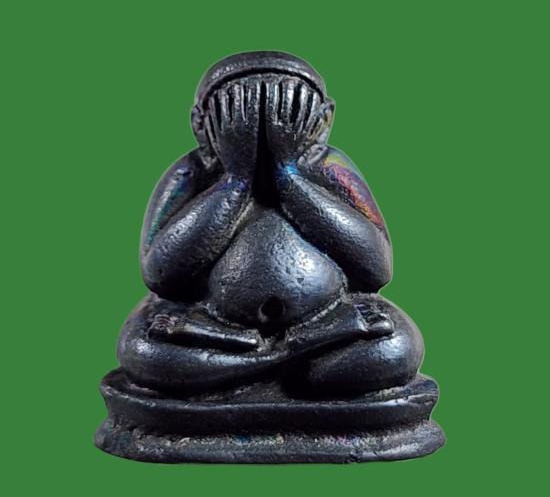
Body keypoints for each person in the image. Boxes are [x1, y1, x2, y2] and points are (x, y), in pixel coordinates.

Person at [118, 51, 424, 397]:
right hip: (211, 326)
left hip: (327, 318)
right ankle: (281, 361)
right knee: (143, 351)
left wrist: (288, 174)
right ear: (200, 125)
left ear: (323, 119)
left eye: (287, 111)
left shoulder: (329, 166)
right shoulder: (192, 172)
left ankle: (254, 367)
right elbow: (160, 273)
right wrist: (236, 180)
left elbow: (377, 267)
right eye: (240, 115)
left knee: (395, 346)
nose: (264, 130)